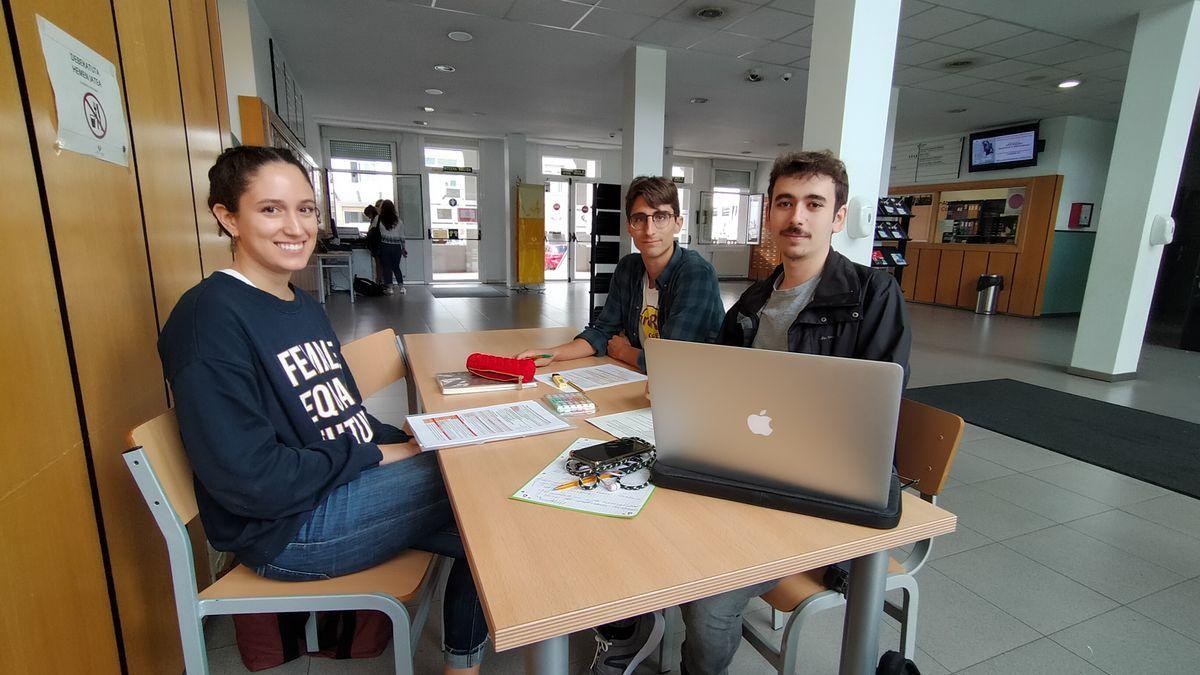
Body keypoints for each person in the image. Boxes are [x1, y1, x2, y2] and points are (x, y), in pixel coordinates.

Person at [157, 146, 487, 673]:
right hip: (290, 530)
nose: (296, 226)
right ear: (227, 217)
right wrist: (381, 456)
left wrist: (405, 435)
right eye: (271, 209)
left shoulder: (301, 305)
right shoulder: (208, 320)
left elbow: (341, 416)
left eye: (306, 209)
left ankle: (463, 665)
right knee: (483, 477)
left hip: (333, 492)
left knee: (493, 509)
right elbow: (250, 480)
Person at [677, 150, 910, 675]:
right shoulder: (754, 300)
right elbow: (721, 385)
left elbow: (873, 415)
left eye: (813, 203)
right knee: (657, 529)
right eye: (785, 202)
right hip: (749, 467)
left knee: (711, 599)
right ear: (769, 212)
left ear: (838, 216)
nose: (796, 217)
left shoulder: (872, 295)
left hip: (826, 489)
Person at [517, 176, 724, 373]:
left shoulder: (696, 273)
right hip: (647, 378)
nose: (649, 230)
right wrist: (552, 354)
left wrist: (625, 352)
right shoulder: (629, 268)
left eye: (661, 217)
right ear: (629, 228)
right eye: (639, 219)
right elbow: (602, 331)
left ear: (677, 223)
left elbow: (671, 359)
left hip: (698, 388)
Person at [376, 199, 407, 294]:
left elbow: (373, 230)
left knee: (386, 267)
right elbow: (402, 236)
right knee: (396, 267)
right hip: (396, 247)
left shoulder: (379, 219)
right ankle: (402, 287)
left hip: (385, 246)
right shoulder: (399, 221)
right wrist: (403, 248)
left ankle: (390, 288)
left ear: (383, 208)